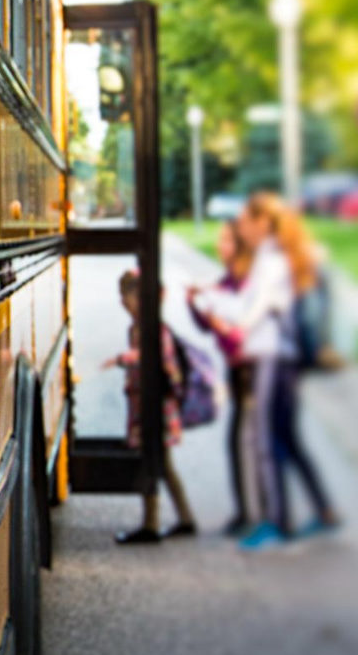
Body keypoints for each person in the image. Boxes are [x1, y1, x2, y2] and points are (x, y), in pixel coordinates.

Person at [204, 193, 338, 549]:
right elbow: (252, 304)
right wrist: (211, 298)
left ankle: (276, 522)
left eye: (246, 220)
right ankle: (324, 510)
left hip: (273, 358)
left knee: (266, 439)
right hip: (281, 357)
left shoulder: (273, 257)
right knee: (286, 437)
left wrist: (238, 325)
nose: (242, 228)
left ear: (263, 222)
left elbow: (259, 305)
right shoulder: (275, 254)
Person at [103, 270, 196, 544]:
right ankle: (185, 518)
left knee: (151, 463)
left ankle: (151, 524)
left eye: (127, 296)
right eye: (121, 296)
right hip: (146, 405)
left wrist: (122, 358)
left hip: (154, 408)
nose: (123, 302)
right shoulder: (139, 326)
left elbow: (155, 358)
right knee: (163, 466)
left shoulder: (152, 328)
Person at [187, 220, 255, 535]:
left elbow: (236, 329)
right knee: (248, 442)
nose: (219, 245)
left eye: (226, 240)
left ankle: (255, 515)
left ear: (239, 245)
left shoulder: (245, 282)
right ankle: (249, 513)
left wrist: (218, 320)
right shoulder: (228, 281)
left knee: (257, 442)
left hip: (253, 369)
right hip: (238, 368)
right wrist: (195, 307)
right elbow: (208, 327)